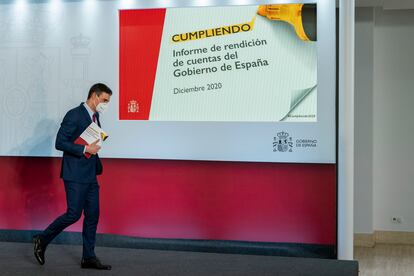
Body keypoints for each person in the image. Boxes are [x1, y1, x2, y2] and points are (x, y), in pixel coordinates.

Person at [33, 83, 112, 270]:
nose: (106, 105)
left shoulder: (95, 115)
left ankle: (89, 258)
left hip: (90, 174)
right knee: (73, 214)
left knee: (93, 215)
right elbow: (60, 142)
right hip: (75, 174)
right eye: (105, 100)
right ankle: (42, 239)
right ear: (94, 95)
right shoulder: (74, 114)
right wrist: (85, 148)